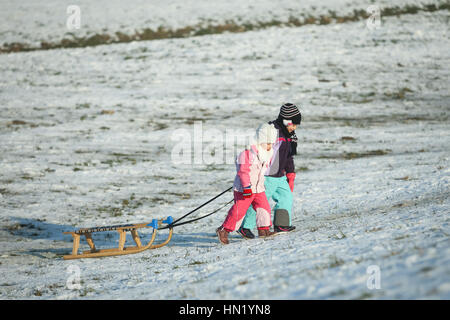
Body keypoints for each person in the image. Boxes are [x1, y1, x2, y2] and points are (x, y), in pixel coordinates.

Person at [238, 103, 301, 239]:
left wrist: (290, 173)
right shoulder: (271, 131)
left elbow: (289, 155)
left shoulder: (289, 135)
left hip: (280, 176)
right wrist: (255, 170)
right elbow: (258, 150)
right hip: (267, 175)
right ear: (286, 121)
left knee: (286, 197)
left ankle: (281, 224)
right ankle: (245, 226)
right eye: (293, 124)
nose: (294, 128)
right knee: (259, 202)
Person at [216, 123, 279, 244]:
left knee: (264, 208)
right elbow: (243, 172)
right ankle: (224, 230)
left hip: (258, 188)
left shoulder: (266, 154)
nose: (270, 146)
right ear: (260, 141)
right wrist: (246, 187)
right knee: (239, 211)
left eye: (272, 143)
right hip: (245, 189)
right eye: (268, 143)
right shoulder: (246, 154)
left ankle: (264, 230)